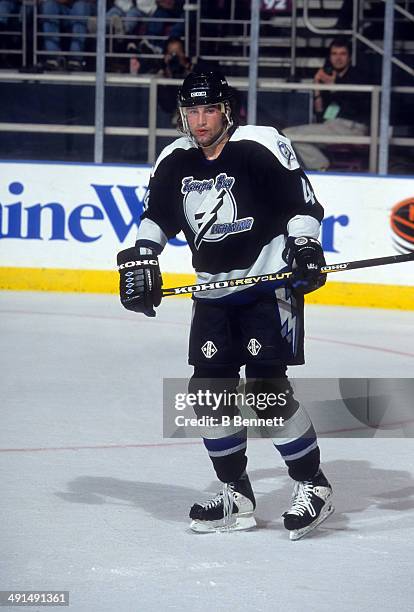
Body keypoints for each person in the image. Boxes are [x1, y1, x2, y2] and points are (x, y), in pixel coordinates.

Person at [117, 71, 334, 539]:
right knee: (207, 393)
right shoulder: (175, 158)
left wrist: (305, 245)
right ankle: (235, 492)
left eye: (208, 109)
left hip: (266, 285)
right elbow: (157, 216)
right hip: (212, 292)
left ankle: (312, 485)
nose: (199, 121)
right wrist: (142, 255)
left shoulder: (260, 144)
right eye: (191, 111)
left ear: (226, 109)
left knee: (266, 392)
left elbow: (302, 203)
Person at [284, 37, 370, 171]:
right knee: (286, 135)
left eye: (343, 54)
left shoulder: (358, 75)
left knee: (288, 135)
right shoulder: (328, 76)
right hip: (330, 125)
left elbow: (356, 108)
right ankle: (322, 166)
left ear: (350, 57)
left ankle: (322, 167)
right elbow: (321, 114)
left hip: (352, 128)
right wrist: (317, 87)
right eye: (334, 54)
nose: (338, 58)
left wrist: (335, 85)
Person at [39, 0, 95, 70]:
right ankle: (53, 58)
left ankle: (76, 59)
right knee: (49, 6)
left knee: (80, 7)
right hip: (58, 6)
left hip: (81, 5)